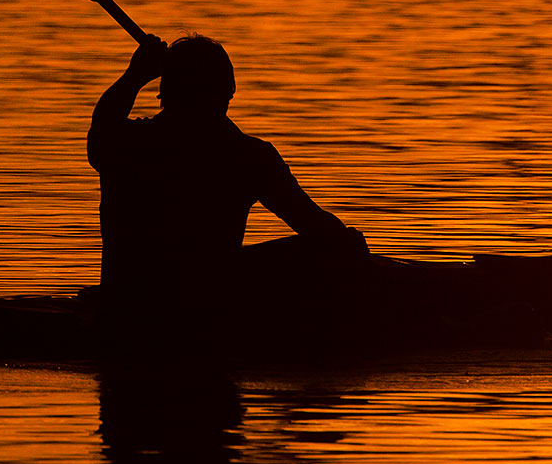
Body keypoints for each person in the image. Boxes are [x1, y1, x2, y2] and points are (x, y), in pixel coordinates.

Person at [87, 34, 366, 307]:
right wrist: (348, 242)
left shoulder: (125, 143)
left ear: (164, 92)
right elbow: (314, 226)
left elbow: (104, 122)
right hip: (204, 304)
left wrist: (135, 75)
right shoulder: (249, 156)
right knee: (328, 246)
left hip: (124, 300)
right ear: (229, 92)